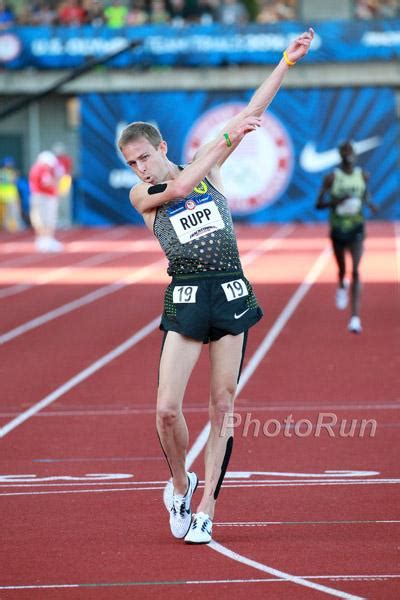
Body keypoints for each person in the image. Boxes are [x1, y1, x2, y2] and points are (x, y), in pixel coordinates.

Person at [118, 28, 314, 544]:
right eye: (132, 164)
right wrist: (228, 139)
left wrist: (286, 63)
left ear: (161, 146)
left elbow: (253, 108)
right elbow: (181, 186)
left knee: (223, 402)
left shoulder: (209, 166)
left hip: (228, 289)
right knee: (165, 411)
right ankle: (180, 483)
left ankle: (206, 507)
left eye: (144, 157)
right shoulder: (146, 194)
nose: (140, 168)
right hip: (185, 294)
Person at [316, 140, 378, 334]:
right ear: (340, 154)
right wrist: (335, 201)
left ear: (355, 154)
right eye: (345, 151)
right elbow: (318, 204)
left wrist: (370, 204)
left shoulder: (363, 175)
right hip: (338, 228)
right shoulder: (332, 177)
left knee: (357, 271)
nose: (348, 154)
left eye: (351, 151)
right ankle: (341, 283)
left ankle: (354, 318)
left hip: (357, 228)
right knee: (343, 269)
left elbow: (365, 196)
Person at [29, 150, 64, 252]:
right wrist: (58, 182)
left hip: (40, 196)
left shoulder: (36, 168)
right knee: (46, 218)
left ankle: (44, 240)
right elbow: (47, 182)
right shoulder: (41, 168)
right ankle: (46, 240)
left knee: (41, 218)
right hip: (44, 197)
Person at [0, 156, 22, 232]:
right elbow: (12, 180)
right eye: (8, 164)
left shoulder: (10, 172)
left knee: (10, 213)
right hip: (6, 196)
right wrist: (15, 176)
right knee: (9, 213)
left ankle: (10, 227)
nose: (9, 165)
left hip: (8, 196)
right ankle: (10, 227)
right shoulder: (5, 172)